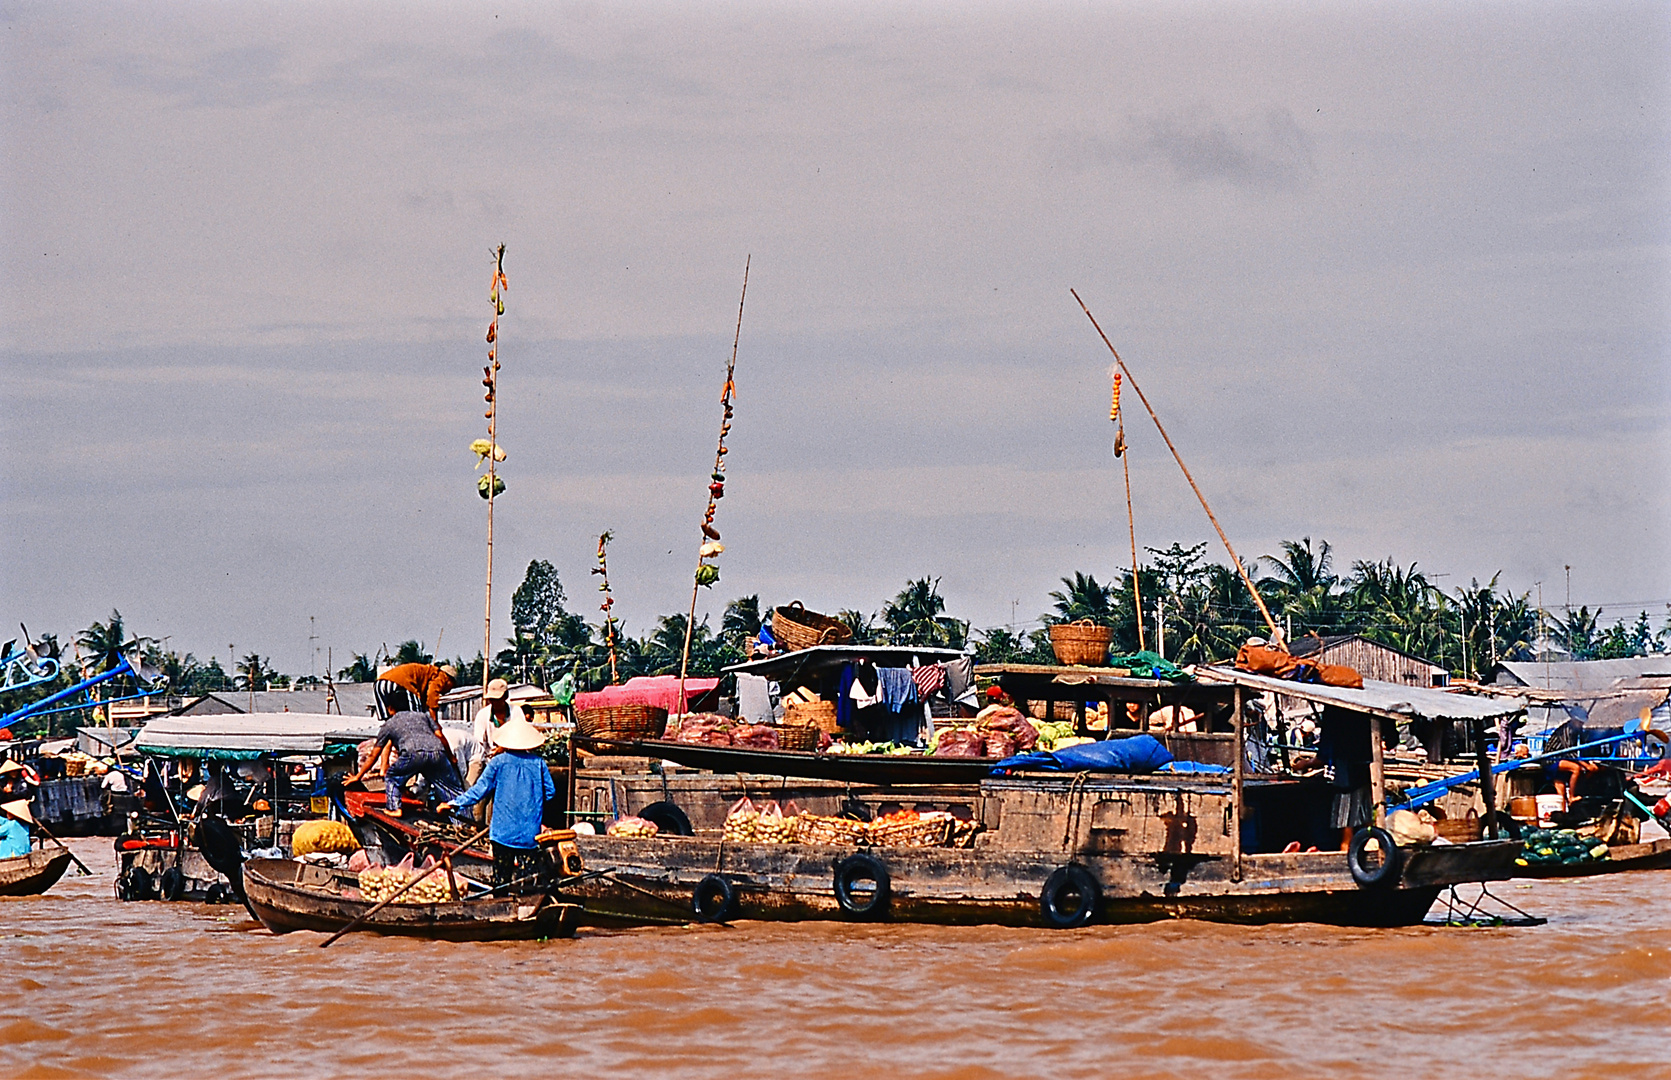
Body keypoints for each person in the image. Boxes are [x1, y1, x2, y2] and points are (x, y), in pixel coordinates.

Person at [438, 714, 553, 889]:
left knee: (501, 881)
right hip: (529, 833)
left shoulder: (498, 762)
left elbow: (479, 791)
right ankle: (527, 906)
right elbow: (550, 792)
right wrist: (532, 802)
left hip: (502, 834)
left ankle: (503, 905)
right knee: (527, 882)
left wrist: (453, 803)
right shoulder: (538, 764)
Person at [345, 709, 463, 817]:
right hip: (437, 751)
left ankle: (395, 808)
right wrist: (450, 756)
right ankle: (465, 823)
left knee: (392, 776)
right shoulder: (424, 716)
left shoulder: (390, 724)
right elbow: (439, 735)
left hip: (413, 753)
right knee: (451, 789)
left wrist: (358, 776)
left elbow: (374, 754)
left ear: (390, 709)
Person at [463, 679, 527, 825]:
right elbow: (479, 742)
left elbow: (522, 737)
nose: (494, 702)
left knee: (500, 806)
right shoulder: (483, 715)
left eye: (497, 699)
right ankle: (474, 830)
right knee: (478, 805)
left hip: (512, 763)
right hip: (489, 763)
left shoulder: (516, 712)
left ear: (505, 697)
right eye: (492, 699)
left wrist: (504, 747)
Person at [374, 662, 458, 720]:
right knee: (417, 719)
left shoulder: (427, 674)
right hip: (400, 683)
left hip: (379, 684)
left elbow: (425, 699)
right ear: (449, 680)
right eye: (451, 686)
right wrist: (434, 722)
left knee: (389, 720)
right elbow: (432, 693)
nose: (449, 691)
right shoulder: (441, 676)